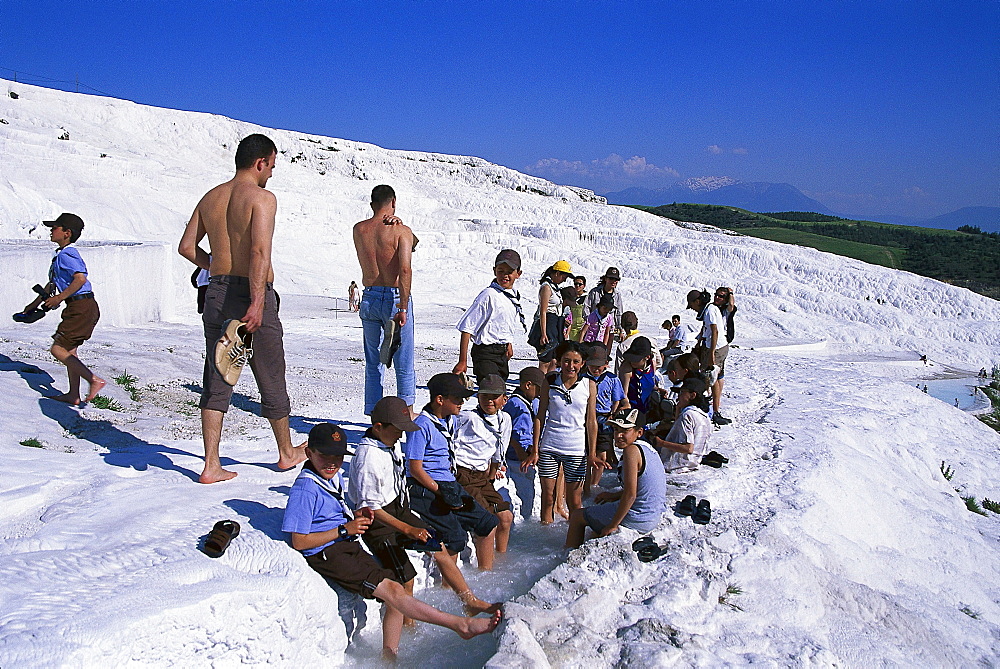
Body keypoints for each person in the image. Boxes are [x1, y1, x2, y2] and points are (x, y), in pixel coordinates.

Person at [282, 423, 499, 660]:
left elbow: (328, 513)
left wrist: (352, 518)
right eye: (325, 456)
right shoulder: (305, 489)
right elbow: (300, 541)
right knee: (394, 590)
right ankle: (461, 625)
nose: (332, 462)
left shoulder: (328, 477)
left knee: (394, 587)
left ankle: (389, 658)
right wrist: (345, 530)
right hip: (329, 553)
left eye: (337, 456)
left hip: (345, 545)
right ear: (309, 453)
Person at [178, 134, 304, 483]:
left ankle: (211, 465)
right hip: (252, 293)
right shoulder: (262, 198)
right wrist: (258, 301)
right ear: (261, 162)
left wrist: (213, 265)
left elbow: (187, 247)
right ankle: (286, 452)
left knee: (218, 375)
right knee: (270, 373)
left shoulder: (211, 197)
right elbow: (259, 253)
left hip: (216, 293)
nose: (272, 174)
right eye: (272, 166)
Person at [348, 396, 498, 632]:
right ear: (379, 427)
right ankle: (409, 627)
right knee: (405, 579)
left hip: (397, 507)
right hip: (377, 520)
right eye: (398, 430)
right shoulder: (369, 458)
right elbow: (370, 508)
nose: (401, 435)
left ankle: (469, 601)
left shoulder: (386, 442)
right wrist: (408, 529)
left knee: (437, 546)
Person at [405, 373, 501, 570]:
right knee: (455, 537)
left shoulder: (450, 420)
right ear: (440, 400)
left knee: (488, 523)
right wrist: (440, 491)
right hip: (426, 487)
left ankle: (486, 574)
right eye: (457, 399)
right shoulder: (422, 426)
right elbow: (414, 468)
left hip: (449, 483)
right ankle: (448, 587)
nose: (462, 403)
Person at [21, 213, 105, 405]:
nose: (51, 230)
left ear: (67, 233)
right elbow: (51, 286)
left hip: (81, 306)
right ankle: (73, 395)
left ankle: (93, 380)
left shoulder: (68, 254)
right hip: (80, 306)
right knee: (70, 351)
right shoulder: (61, 255)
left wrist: (60, 297)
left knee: (58, 349)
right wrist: (32, 306)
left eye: (55, 227)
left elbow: (80, 279)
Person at [522, 342, 601, 525]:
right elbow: (540, 417)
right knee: (548, 498)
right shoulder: (549, 382)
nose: (570, 366)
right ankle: (546, 538)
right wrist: (535, 450)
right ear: (559, 361)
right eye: (566, 361)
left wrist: (592, 453)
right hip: (549, 447)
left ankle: (574, 538)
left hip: (575, 450)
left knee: (574, 501)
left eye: (576, 362)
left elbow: (591, 421)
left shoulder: (589, 385)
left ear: (582, 364)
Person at [353, 185, 416, 416]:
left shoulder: (359, 229)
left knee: (373, 362)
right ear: (394, 202)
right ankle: (406, 413)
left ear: (372, 204)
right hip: (394, 296)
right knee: (403, 361)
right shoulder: (402, 231)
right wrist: (403, 307)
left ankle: (374, 413)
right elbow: (405, 268)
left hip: (369, 296)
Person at [565, 408, 667, 548]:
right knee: (594, 529)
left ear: (639, 432)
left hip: (638, 518)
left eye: (624, 431)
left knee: (577, 516)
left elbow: (631, 495)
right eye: (615, 430)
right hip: (652, 515)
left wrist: (613, 525)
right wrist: (614, 495)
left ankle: (567, 555)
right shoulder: (649, 449)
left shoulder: (631, 451)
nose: (618, 435)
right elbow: (642, 487)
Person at [453, 374, 515, 554]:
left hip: (482, 477)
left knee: (506, 517)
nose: (489, 401)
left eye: (494, 397)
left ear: (504, 399)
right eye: (484, 396)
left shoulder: (505, 420)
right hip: (462, 473)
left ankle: (501, 560)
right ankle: (485, 567)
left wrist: (490, 478)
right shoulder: (467, 417)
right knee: (487, 521)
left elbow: (497, 453)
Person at [453, 249, 525, 383]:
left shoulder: (512, 296)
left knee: (498, 393)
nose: (505, 275)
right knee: (491, 390)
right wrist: (463, 361)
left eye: (509, 272)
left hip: (501, 353)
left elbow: (503, 322)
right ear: (494, 271)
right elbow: (467, 327)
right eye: (500, 271)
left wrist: (508, 343)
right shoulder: (488, 295)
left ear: (518, 274)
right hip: (485, 353)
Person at [502, 366, 547, 520]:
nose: (541, 393)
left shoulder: (532, 401)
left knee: (528, 491)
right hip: (516, 458)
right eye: (539, 388)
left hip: (526, 454)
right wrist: (522, 453)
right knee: (520, 493)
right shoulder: (516, 405)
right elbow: (510, 434)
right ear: (528, 385)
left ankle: (526, 516)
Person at [583, 345, 625, 492]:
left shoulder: (612, 379)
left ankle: (594, 483)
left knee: (602, 453)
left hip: (604, 418)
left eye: (599, 366)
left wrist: (613, 413)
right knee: (587, 452)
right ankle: (585, 483)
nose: (596, 369)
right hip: (586, 418)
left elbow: (617, 399)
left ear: (606, 364)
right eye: (593, 366)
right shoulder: (582, 379)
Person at [686, 289, 731, 426]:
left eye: (692, 305)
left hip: (716, 348)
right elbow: (706, 329)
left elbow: (714, 330)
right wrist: (700, 341)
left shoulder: (710, 310)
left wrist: (711, 353)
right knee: (713, 379)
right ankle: (714, 410)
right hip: (715, 347)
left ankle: (714, 412)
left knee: (711, 379)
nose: (692, 309)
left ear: (697, 301)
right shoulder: (708, 310)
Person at [648, 378, 713, 471]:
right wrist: (678, 408)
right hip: (692, 464)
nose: (678, 397)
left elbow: (688, 448)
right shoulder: (704, 416)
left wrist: (661, 443)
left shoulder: (688, 415)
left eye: (682, 393)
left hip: (678, 467)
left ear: (693, 395)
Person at [528, 260, 572, 374]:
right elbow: (543, 311)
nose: (564, 280)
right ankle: (540, 385)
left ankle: (548, 385)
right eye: (564, 276)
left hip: (554, 324)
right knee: (545, 360)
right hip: (547, 324)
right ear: (557, 273)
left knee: (554, 360)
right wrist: (543, 334)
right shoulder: (546, 287)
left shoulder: (554, 288)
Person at [618, 336, 663, 414]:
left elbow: (649, 383)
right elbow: (622, 394)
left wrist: (658, 389)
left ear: (647, 357)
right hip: (631, 410)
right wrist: (626, 405)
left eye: (636, 359)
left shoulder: (652, 364)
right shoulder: (627, 368)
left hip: (647, 408)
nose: (632, 361)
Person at [584, 267, 624, 337]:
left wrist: (620, 330)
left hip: (609, 331)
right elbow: (586, 307)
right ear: (606, 279)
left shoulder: (617, 295)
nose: (614, 281)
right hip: (593, 331)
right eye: (611, 278)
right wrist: (590, 322)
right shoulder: (594, 292)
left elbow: (618, 313)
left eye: (616, 279)